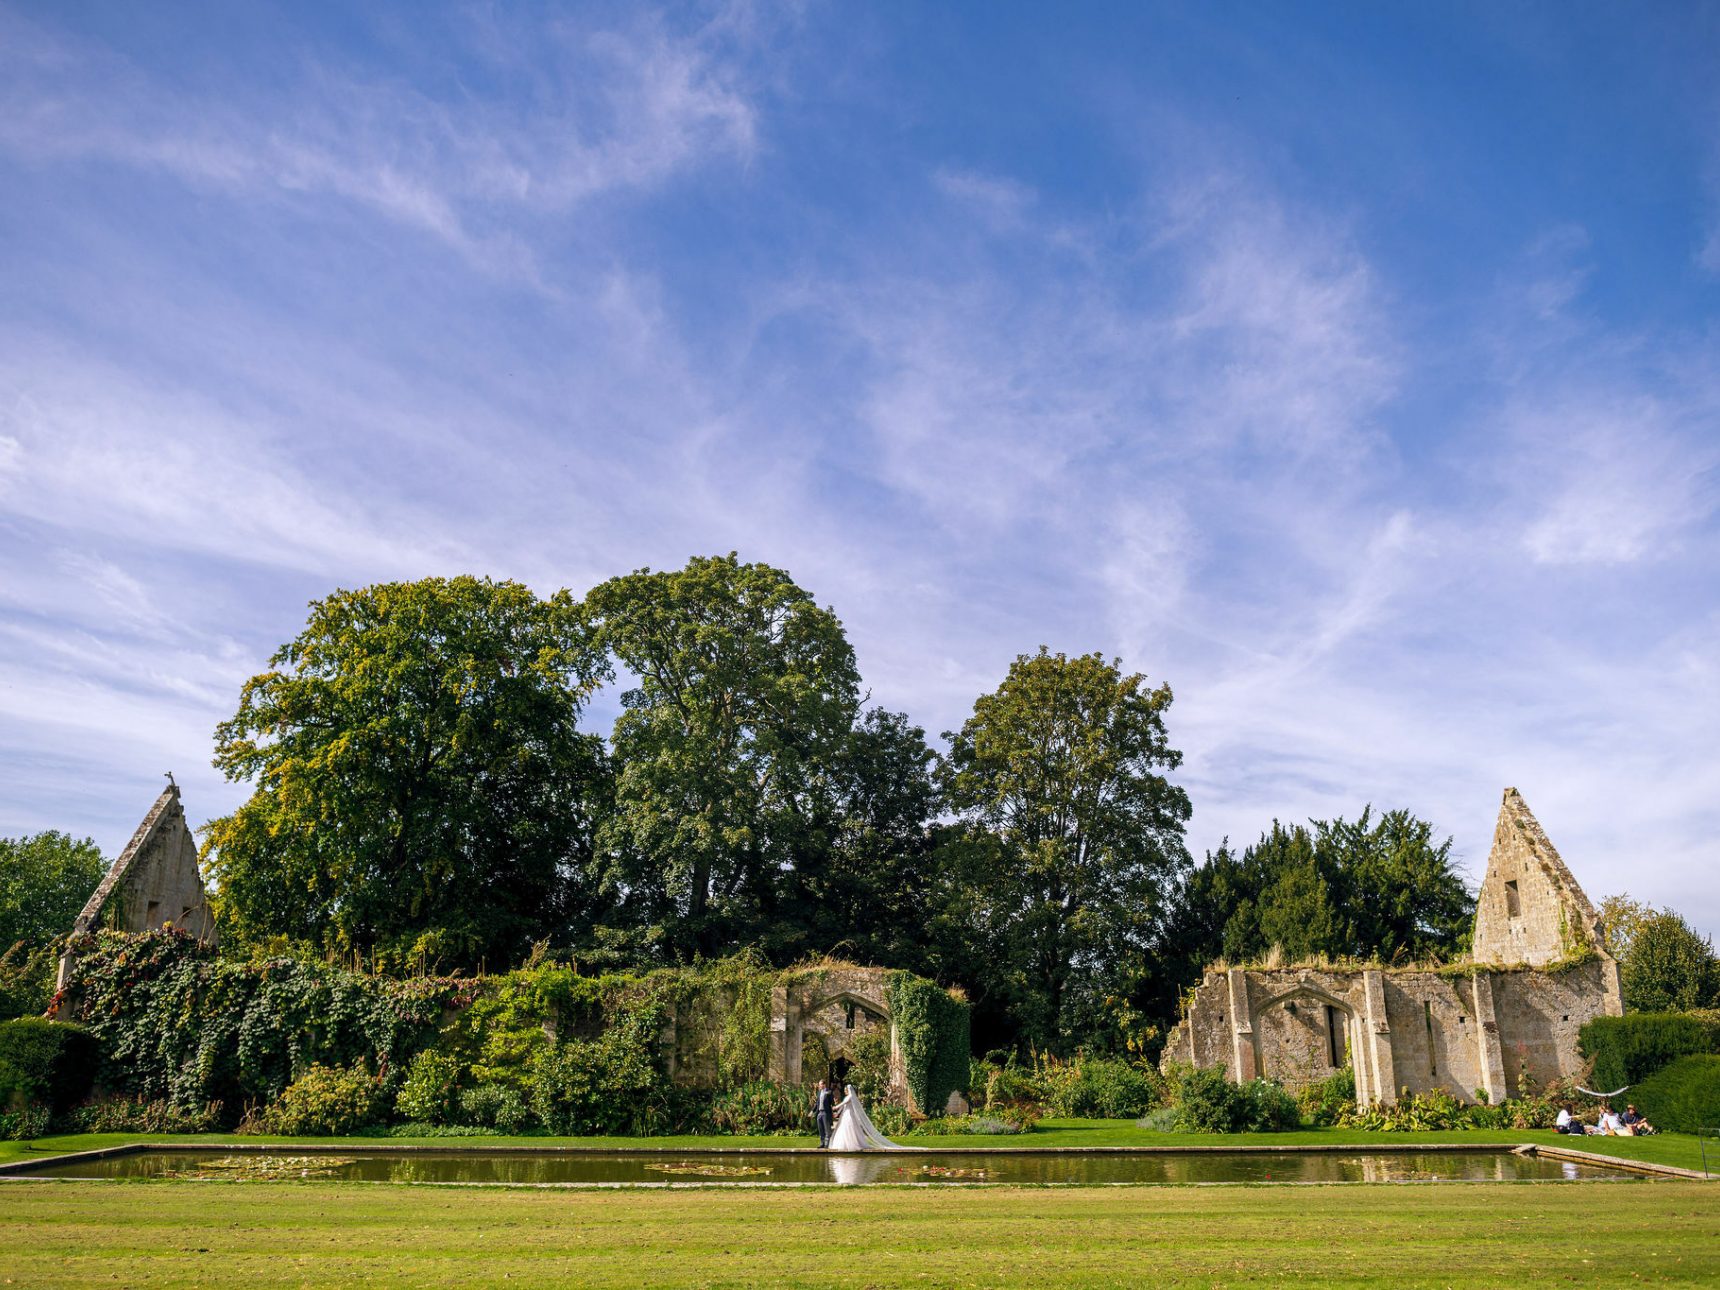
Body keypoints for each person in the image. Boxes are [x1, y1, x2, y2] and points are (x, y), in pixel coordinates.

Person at [827, 1083, 909, 1152]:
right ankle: (843, 1144)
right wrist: (837, 1113)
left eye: (846, 1090)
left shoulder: (850, 1097)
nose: (845, 1091)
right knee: (843, 1128)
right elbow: (843, 1107)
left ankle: (852, 1144)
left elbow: (842, 1104)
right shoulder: (846, 1097)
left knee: (850, 1128)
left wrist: (835, 1107)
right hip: (845, 1114)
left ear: (849, 1090)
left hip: (849, 1115)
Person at [812, 1080, 835, 1149]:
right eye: (819, 1084)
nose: (819, 1086)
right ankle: (822, 1143)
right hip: (819, 1113)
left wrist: (834, 1111)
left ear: (824, 1085)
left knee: (827, 1130)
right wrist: (812, 1111)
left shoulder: (829, 1092)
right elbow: (817, 1103)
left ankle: (826, 1145)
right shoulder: (819, 1092)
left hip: (826, 1113)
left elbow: (832, 1102)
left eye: (820, 1084)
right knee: (821, 1129)